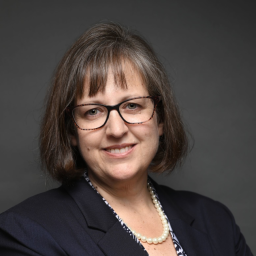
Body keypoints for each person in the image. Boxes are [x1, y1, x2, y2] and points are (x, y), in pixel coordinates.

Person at [0, 22, 253, 256]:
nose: (116, 129)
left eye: (132, 105)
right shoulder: (26, 233)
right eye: (93, 111)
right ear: (71, 131)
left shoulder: (216, 221)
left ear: (160, 119)